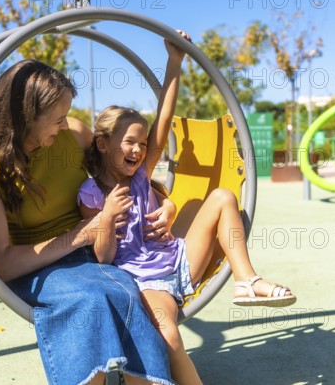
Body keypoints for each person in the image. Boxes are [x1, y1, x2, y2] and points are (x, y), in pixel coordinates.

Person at [77, 35, 297, 384]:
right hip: (143, 280)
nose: (137, 150)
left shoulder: (141, 175)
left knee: (223, 197)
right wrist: (106, 217)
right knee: (170, 337)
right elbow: (102, 259)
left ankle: (246, 281)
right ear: (103, 144)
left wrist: (174, 62)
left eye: (142, 144)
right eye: (128, 142)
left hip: (178, 259)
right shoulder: (91, 194)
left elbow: (164, 118)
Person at [0, 59, 177, 385]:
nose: (65, 125)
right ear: (26, 117)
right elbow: (1, 264)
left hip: (94, 253)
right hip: (34, 265)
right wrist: (79, 235)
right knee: (89, 299)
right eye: (57, 118)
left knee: (126, 292)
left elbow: (122, 169)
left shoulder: (73, 134)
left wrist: (165, 202)